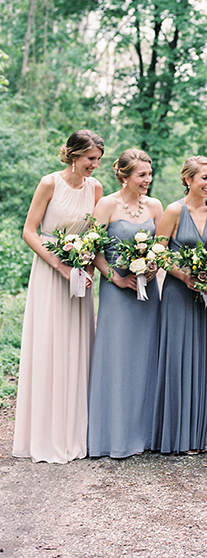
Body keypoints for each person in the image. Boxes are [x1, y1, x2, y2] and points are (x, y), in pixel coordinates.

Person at [13, 129, 105, 463]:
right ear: (74, 155)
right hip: (51, 275)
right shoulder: (49, 182)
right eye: (90, 159)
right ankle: (45, 434)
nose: (94, 165)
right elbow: (29, 231)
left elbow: (95, 236)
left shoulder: (95, 188)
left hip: (80, 276)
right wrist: (58, 264)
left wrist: (89, 269)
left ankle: (75, 431)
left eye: (98, 159)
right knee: (50, 344)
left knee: (76, 347)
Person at [88, 149, 164, 458]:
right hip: (117, 293)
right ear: (124, 176)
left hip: (147, 295)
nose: (147, 180)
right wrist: (115, 278)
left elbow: (162, 245)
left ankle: (146, 434)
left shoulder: (155, 206)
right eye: (141, 175)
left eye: (149, 174)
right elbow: (91, 250)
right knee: (117, 359)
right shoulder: (106, 205)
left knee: (146, 358)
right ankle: (113, 437)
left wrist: (153, 266)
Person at [152, 156, 207, 454]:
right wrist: (184, 275)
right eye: (203, 178)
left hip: (206, 295)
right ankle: (177, 436)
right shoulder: (173, 210)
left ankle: (200, 435)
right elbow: (158, 252)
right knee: (178, 357)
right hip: (177, 293)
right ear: (187, 179)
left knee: (204, 357)